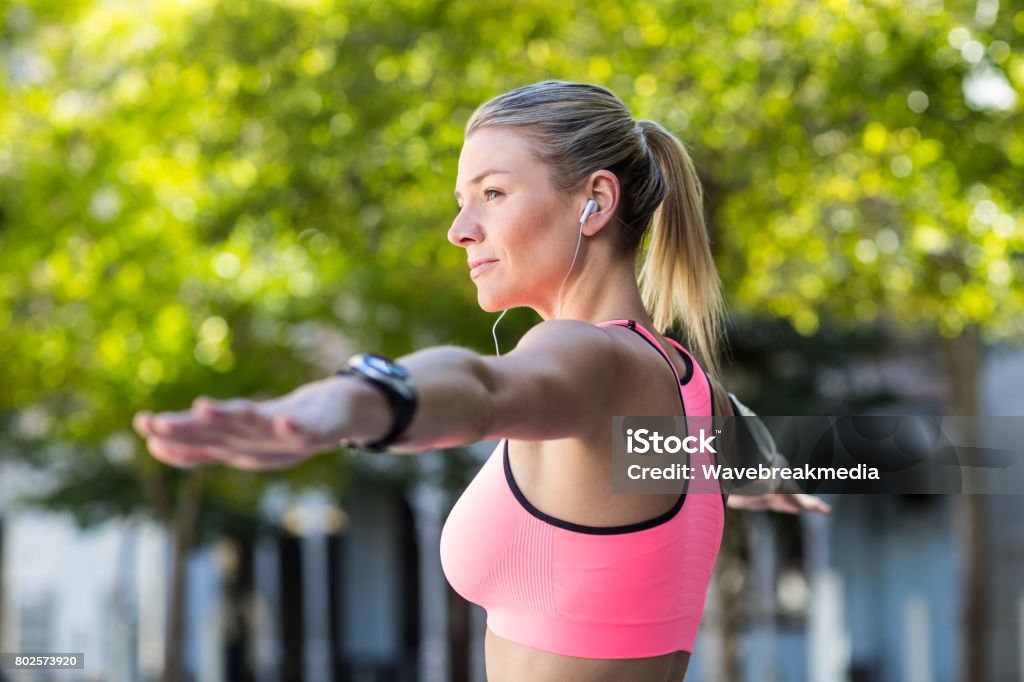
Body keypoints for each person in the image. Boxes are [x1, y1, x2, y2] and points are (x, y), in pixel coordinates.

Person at [133, 80, 830, 681]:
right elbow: (754, 448)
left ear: (594, 202)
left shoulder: (588, 358)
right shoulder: (687, 387)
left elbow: (482, 389)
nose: (459, 229)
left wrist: (350, 403)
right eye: (464, 200)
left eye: (492, 193)